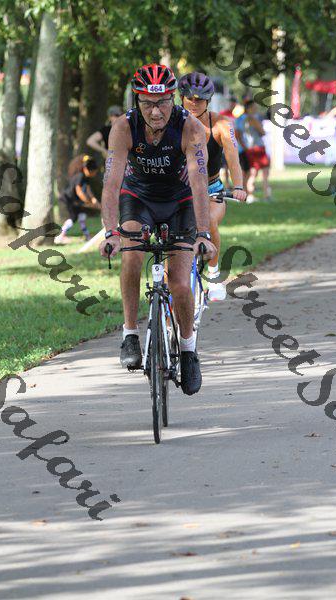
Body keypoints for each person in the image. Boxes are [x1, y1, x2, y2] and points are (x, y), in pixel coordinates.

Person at [99, 64, 216, 396]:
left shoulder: (191, 127)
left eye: (162, 102)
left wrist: (203, 233)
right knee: (131, 256)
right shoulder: (123, 127)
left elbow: (199, 183)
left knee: (179, 282)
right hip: (139, 198)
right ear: (137, 100)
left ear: (173, 98)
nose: (155, 111)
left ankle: (189, 350)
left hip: (180, 201)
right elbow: (111, 184)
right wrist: (110, 232)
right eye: (147, 103)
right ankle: (130, 334)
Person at [178, 73, 246, 302]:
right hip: (180, 189)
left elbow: (233, 159)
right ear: (181, 98)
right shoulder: (171, 123)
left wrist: (238, 186)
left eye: (200, 99)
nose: (194, 103)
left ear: (208, 101)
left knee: (208, 219)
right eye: (189, 98)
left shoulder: (221, 125)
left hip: (211, 188)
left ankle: (214, 275)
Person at [55, 155, 99, 244]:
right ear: (87, 169)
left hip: (75, 200)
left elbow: (88, 189)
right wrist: (88, 202)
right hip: (69, 199)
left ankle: (87, 236)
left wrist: (93, 199)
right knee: (73, 218)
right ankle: (60, 236)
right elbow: (79, 191)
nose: (94, 174)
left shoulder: (86, 178)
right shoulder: (80, 176)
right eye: (93, 172)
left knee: (82, 216)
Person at [235, 99, 271, 203]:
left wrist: (245, 148)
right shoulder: (252, 119)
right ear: (249, 108)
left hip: (247, 149)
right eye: (254, 107)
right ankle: (264, 195)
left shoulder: (239, 119)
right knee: (259, 172)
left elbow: (238, 135)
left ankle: (247, 195)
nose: (256, 109)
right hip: (257, 148)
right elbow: (262, 132)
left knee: (249, 173)